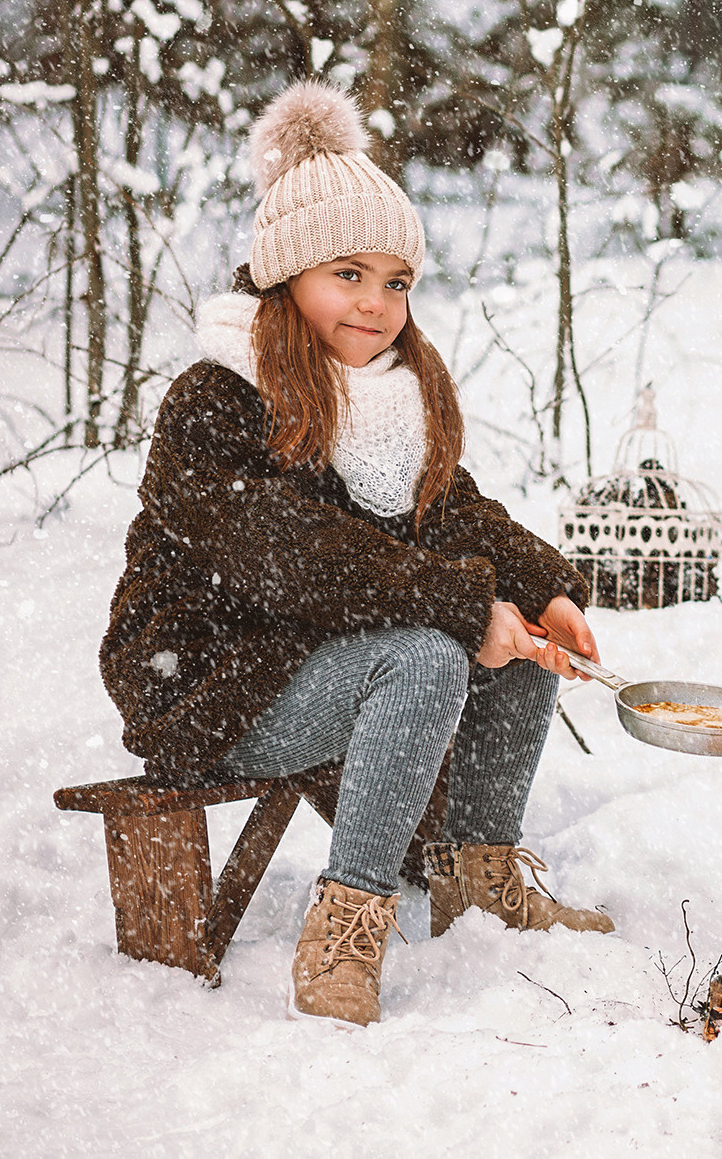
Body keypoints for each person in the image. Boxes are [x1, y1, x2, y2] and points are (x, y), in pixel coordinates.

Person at [100, 81, 611, 1028]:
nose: (376, 303)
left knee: (510, 636)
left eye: (396, 281)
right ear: (285, 272)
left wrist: (544, 589)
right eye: (348, 273)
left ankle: (478, 881)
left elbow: (453, 514)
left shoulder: (380, 394)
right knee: (428, 651)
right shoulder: (214, 399)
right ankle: (345, 928)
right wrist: (461, 606)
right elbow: (290, 557)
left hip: (312, 659)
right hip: (210, 680)